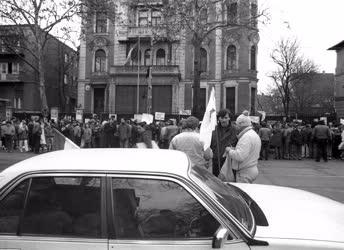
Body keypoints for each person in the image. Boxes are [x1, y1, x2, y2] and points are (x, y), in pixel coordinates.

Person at [223, 111, 261, 183]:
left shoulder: (246, 137)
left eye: (237, 125)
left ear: (241, 125)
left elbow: (240, 156)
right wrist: (234, 150)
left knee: (241, 193)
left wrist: (229, 150)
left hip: (245, 172)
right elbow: (246, 152)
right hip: (249, 169)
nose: (236, 127)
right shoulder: (252, 134)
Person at [210, 109, 237, 177]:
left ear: (229, 118)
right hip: (216, 160)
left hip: (229, 161)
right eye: (222, 118)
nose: (224, 120)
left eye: (226, 118)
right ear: (219, 118)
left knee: (228, 182)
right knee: (216, 182)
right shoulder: (214, 129)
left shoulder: (235, 129)